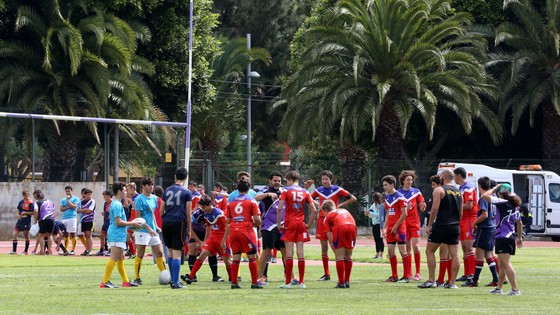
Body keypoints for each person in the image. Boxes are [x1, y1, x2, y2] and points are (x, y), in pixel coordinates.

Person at [418, 170, 462, 289]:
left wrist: (429, 225)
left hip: (441, 225)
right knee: (454, 255)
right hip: (455, 226)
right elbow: (460, 211)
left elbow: (434, 209)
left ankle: (432, 280)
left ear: (443, 177)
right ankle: (452, 283)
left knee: (430, 251)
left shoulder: (439, 189)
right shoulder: (459, 191)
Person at [310, 170, 357, 281]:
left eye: (326, 179)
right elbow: (309, 198)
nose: (324, 181)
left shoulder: (337, 189)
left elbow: (353, 198)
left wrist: (340, 205)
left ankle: (342, 274)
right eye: (323, 179)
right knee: (324, 248)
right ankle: (327, 274)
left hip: (334, 220)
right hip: (322, 219)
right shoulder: (319, 190)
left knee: (336, 246)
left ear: (331, 179)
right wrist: (319, 205)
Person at [277, 170, 317, 289]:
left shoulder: (285, 190)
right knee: (301, 253)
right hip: (300, 223)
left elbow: (280, 208)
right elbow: (314, 210)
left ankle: (288, 282)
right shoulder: (305, 191)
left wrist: (279, 223)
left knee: (289, 253)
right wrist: (309, 224)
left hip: (289, 222)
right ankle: (302, 282)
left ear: (289, 179)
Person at [481, 184, 523, 296]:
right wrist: (519, 237)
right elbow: (519, 223)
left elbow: (484, 195)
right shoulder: (515, 205)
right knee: (502, 264)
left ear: (500, 193)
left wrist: (494, 188)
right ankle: (498, 288)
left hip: (502, 236)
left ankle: (515, 289)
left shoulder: (502, 202)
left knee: (506, 263)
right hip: (510, 236)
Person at [100, 182, 141, 288]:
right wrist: (132, 223)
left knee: (121, 257)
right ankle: (105, 281)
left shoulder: (117, 203)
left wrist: (131, 225)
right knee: (114, 257)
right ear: (119, 191)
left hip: (119, 234)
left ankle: (126, 281)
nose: (126, 192)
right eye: (124, 190)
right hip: (116, 234)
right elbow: (118, 222)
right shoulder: (117, 204)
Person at [182, 195, 232, 284]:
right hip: (213, 237)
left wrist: (224, 240)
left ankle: (232, 278)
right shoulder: (206, 213)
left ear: (209, 204)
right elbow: (208, 227)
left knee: (227, 261)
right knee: (202, 255)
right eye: (201, 207)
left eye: (204, 207)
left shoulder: (218, 213)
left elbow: (228, 226)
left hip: (222, 238)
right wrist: (205, 241)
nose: (203, 209)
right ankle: (191, 276)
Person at [226, 180, 262, 289]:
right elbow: (257, 218)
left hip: (234, 231)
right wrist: (257, 224)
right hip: (246, 231)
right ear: (248, 189)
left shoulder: (231, 202)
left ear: (238, 189)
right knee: (252, 256)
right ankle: (254, 283)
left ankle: (234, 282)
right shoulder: (252, 201)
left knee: (236, 257)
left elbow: (227, 220)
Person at [255, 171, 289, 285]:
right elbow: (256, 196)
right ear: (270, 181)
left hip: (282, 226)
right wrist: (268, 195)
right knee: (267, 251)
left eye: (279, 181)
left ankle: (289, 276)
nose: (277, 183)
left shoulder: (283, 191)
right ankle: (260, 277)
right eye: (275, 181)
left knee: (285, 252)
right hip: (268, 227)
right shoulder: (265, 190)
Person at [161, 167, 192, 289]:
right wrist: (189, 229)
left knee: (169, 251)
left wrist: (164, 219)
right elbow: (188, 212)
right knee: (177, 253)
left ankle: (173, 280)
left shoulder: (167, 190)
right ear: (185, 178)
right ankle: (175, 281)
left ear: (175, 176)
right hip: (179, 222)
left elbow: (161, 209)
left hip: (166, 222)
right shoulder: (187, 192)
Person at [466, 176, 499, 287]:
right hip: (492, 227)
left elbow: (484, 215)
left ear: (479, 186)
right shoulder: (493, 197)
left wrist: (474, 223)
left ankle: (474, 280)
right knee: (488, 255)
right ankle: (496, 279)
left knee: (479, 255)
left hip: (485, 228)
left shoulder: (483, 198)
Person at [132, 177, 166, 285]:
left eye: (152, 184)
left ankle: (165, 275)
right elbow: (139, 218)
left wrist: (155, 226)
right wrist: (149, 228)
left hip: (152, 230)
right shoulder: (139, 199)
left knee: (159, 252)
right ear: (143, 186)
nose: (152, 187)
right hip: (142, 230)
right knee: (140, 254)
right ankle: (137, 278)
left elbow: (152, 215)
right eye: (149, 185)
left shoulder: (154, 199)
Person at [398, 170, 426, 281]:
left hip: (414, 223)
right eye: (408, 180)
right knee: (407, 249)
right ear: (403, 180)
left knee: (416, 247)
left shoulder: (416, 192)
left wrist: (423, 206)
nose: (410, 182)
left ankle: (418, 273)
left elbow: (422, 207)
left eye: (411, 179)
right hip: (404, 223)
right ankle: (408, 272)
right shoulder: (398, 193)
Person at [322, 200, 357, 288]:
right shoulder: (344, 210)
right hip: (352, 226)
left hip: (340, 227)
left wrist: (336, 252)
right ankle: (347, 281)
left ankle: (341, 282)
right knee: (349, 255)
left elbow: (330, 238)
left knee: (340, 256)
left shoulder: (327, 217)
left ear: (326, 210)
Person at [382, 175, 410, 283]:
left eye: (386, 185)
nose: (384, 187)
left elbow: (404, 214)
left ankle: (406, 276)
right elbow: (388, 214)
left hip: (399, 228)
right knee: (390, 251)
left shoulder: (400, 197)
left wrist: (395, 226)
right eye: (383, 185)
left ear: (392, 185)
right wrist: (384, 228)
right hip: (390, 228)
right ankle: (394, 276)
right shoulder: (387, 198)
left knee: (403, 250)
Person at [453, 167, 478, 282]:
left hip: (469, 220)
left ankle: (472, 274)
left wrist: (454, 207)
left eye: (454, 176)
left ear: (458, 175)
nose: (454, 179)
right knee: (464, 248)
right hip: (462, 220)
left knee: (469, 248)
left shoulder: (468, 188)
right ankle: (467, 273)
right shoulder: (461, 188)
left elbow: (469, 205)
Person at [10, 189, 35, 255]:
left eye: (26, 195)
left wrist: (25, 213)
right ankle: (14, 251)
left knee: (26, 235)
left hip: (26, 220)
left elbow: (32, 212)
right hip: (20, 220)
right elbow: (18, 210)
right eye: (24, 195)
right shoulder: (21, 202)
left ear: (28, 194)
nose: (25, 196)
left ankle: (25, 251)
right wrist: (18, 215)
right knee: (14, 234)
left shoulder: (30, 202)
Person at [34, 190, 56, 255]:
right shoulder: (51, 201)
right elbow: (54, 212)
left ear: (37, 196)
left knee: (41, 235)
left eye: (34, 196)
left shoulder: (37, 202)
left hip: (43, 219)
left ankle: (42, 251)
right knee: (49, 234)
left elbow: (35, 211)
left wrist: (35, 220)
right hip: (51, 219)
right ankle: (49, 251)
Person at [60, 186, 80, 255]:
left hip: (72, 217)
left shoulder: (76, 199)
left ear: (72, 191)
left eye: (69, 191)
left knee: (73, 233)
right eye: (66, 191)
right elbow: (61, 209)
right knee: (65, 233)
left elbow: (74, 207)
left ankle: (73, 250)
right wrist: (69, 207)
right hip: (64, 218)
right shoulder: (63, 200)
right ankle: (65, 249)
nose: (68, 192)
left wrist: (68, 201)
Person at [365, 192, 384, 259]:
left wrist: (371, 213)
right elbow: (371, 215)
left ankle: (381, 254)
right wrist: (368, 213)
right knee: (376, 239)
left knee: (380, 239)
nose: (372, 199)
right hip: (374, 224)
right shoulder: (373, 205)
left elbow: (379, 215)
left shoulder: (381, 205)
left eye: (373, 198)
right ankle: (377, 254)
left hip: (380, 224)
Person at [77, 188, 95, 256]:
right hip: (83, 220)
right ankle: (87, 249)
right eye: (88, 194)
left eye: (90, 194)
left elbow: (90, 211)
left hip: (89, 220)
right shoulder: (82, 202)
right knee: (85, 235)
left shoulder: (92, 201)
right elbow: (78, 211)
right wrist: (84, 209)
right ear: (84, 195)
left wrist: (83, 210)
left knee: (89, 235)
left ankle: (90, 250)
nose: (89, 196)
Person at [95, 190, 112, 256]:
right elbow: (105, 211)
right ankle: (102, 249)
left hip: (110, 222)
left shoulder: (113, 203)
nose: (104, 197)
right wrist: (104, 214)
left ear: (108, 196)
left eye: (105, 196)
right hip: (105, 222)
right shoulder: (105, 203)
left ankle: (110, 250)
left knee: (109, 236)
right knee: (102, 235)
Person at [153, 185, 168, 261]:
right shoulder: (163, 201)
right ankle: (167, 259)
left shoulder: (153, 200)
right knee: (165, 243)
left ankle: (155, 260)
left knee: (154, 243)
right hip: (163, 223)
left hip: (154, 223)